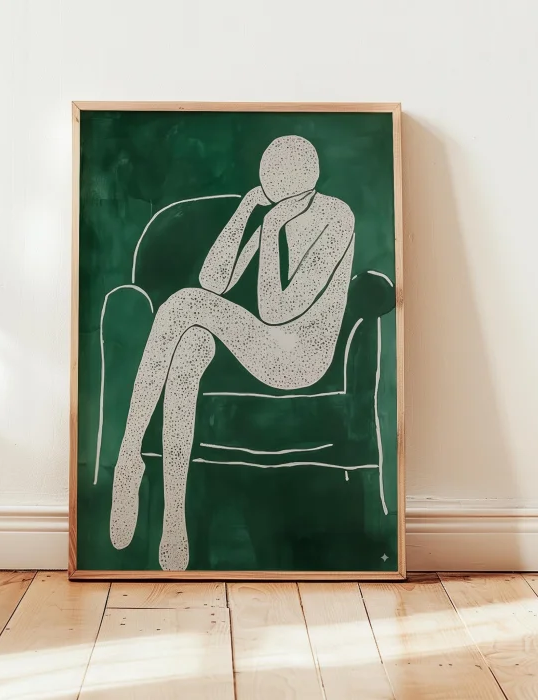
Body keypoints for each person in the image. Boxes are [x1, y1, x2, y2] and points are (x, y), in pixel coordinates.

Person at [110, 135, 356, 570]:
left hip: (301, 358)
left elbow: (277, 310)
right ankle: (173, 517)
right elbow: (213, 281)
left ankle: (128, 456)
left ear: (307, 178)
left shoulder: (336, 217)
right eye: (269, 176)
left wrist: (273, 227)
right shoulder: (272, 212)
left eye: (283, 176)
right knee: (190, 346)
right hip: (264, 346)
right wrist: (246, 211)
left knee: (183, 304)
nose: (274, 183)